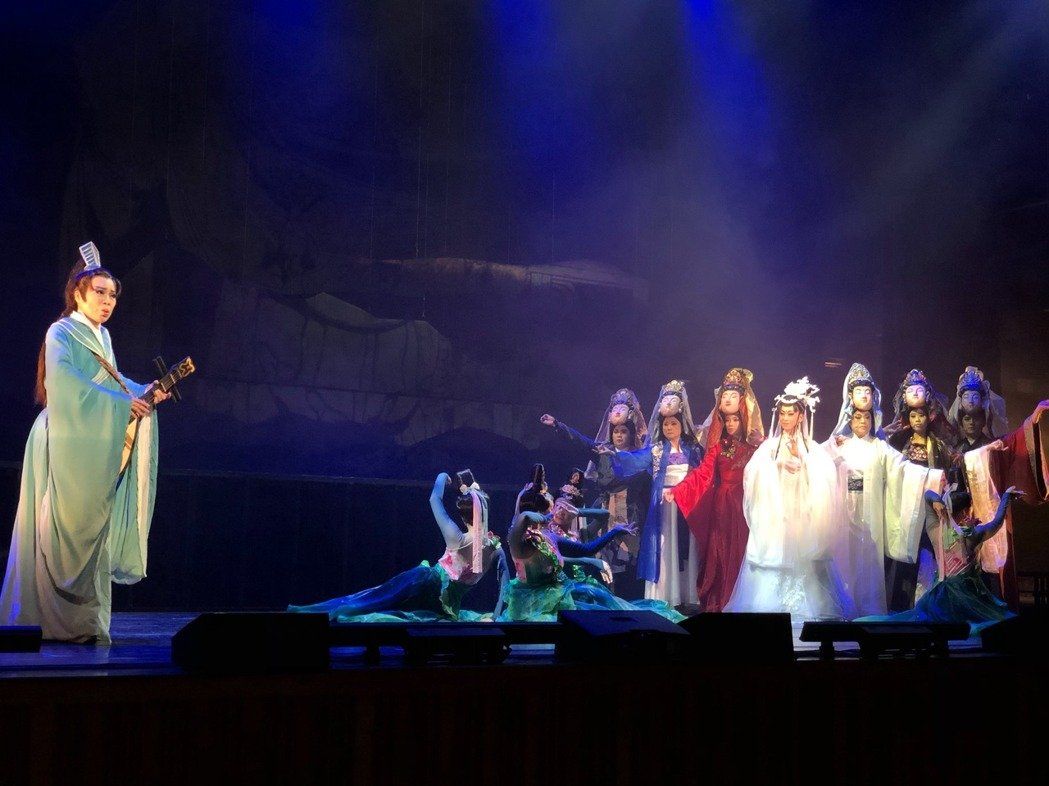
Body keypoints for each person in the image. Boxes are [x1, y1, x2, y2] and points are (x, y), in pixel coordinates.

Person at [0, 244, 170, 642]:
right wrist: (120, 404)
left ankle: (85, 623)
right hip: (63, 435)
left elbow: (112, 383)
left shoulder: (102, 336)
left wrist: (144, 391)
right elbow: (66, 384)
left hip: (89, 440)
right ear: (78, 292)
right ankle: (47, 618)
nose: (108, 301)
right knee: (56, 528)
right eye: (100, 292)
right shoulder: (61, 332)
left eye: (113, 295)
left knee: (93, 527)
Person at [288, 471, 505, 622]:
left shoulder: (456, 537)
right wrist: (494, 617)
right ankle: (314, 614)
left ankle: (313, 613)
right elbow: (504, 586)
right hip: (442, 606)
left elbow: (434, 499)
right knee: (375, 602)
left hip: (425, 584)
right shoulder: (495, 548)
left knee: (372, 599)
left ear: (463, 515)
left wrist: (442, 477)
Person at [724, 378, 853, 622]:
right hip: (775, 514)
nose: (785, 418)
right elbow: (751, 474)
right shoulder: (769, 448)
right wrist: (778, 464)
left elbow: (826, 476)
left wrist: (802, 460)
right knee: (774, 555)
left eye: (790, 413)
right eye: (782, 413)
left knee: (805, 557)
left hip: (801, 515)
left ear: (801, 416)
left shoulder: (811, 449)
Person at [856, 485, 1024, 634]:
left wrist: (936, 501)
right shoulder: (973, 534)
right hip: (966, 595)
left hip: (940, 591)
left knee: (927, 620)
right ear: (965, 512)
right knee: (994, 622)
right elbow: (997, 521)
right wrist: (1006, 497)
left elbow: (927, 495)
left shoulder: (935, 529)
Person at [825, 408, 945, 616]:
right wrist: (830, 446)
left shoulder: (880, 447)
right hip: (845, 512)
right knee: (845, 559)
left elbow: (903, 469)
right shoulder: (841, 445)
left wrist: (930, 477)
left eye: (867, 417)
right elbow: (820, 460)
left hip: (872, 513)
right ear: (850, 421)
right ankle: (844, 608)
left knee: (869, 562)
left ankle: (868, 610)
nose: (862, 421)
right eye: (857, 417)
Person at [665, 369, 762, 611]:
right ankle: (720, 599)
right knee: (719, 551)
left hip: (744, 505)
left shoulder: (755, 449)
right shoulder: (719, 448)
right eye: (727, 420)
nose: (730, 424)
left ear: (743, 417)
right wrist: (678, 490)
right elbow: (702, 473)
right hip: (722, 506)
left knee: (741, 549)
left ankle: (740, 598)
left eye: (735, 420)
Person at [539, 388, 650, 596]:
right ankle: (606, 599)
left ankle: (628, 600)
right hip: (605, 511)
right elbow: (580, 441)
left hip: (629, 511)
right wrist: (558, 425)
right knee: (604, 557)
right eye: (616, 431)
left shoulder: (639, 457)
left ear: (630, 433)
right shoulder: (602, 451)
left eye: (623, 431)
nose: (619, 435)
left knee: (628, 560)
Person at [606, 380, 704, 606]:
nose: (669, 428)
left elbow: (701, 476)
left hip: (687, 503)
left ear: (681, 424)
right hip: (663, 504)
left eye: (673, 423)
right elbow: (635, 460)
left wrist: (684, 491)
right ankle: (666, 594)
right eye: (666, 424)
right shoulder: (657, 449)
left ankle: (687, 594)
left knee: (687, 547)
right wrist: (615, 455)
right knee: (664, 546)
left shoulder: (693, 450)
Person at [497, 510, 682, 623]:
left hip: (560, 591)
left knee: (600, 599)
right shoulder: (520, 544)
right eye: (555, 508)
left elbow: (587, 549)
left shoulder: (550, 537)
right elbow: (523, 519)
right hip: (531, 602)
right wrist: (539, 516)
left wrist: (614, 532)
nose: (558, 512)